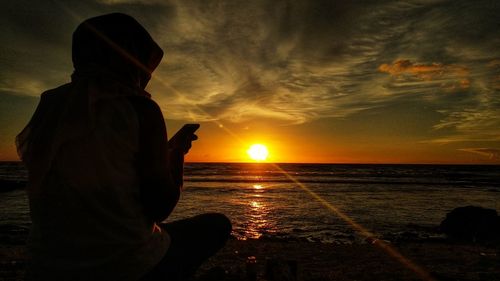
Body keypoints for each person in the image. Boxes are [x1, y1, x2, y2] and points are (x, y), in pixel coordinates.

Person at [16, 13, 231, 281]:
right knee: (217, 225)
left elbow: (104, 162)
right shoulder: (140, 108)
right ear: (132, 59)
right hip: (124, 266)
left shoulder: (50, 105)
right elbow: (160, 206)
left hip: (45, 266)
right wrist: (176, 154)